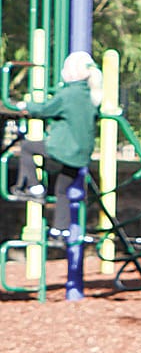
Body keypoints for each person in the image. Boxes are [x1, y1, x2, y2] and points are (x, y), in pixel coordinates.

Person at [9, 49, 100, 238]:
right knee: (62, 190)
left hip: (64, 149)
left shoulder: (68, 94)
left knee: (27, 147)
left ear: (71, 73)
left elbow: (45, 109)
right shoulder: (91, 97)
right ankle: (61, 229)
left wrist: (25, 105)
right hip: (82, 155)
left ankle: (35, 187)